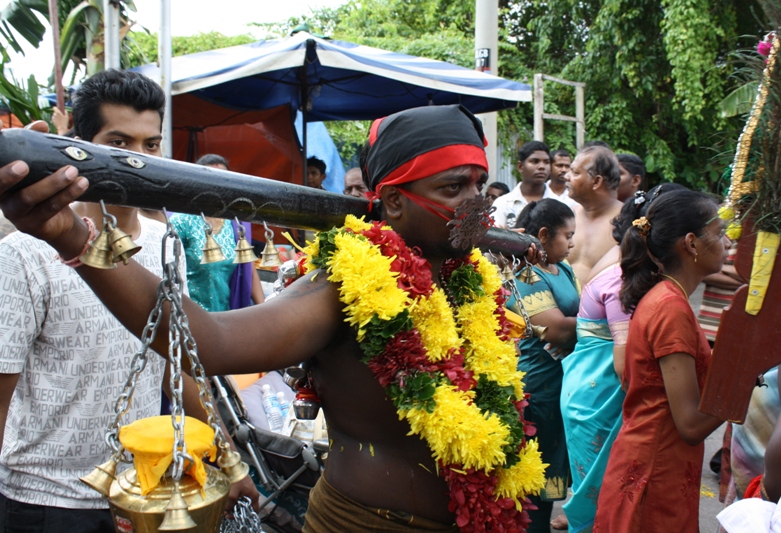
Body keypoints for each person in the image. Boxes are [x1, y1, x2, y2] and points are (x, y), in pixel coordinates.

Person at [0, 104, 546, 532]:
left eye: (478, 184)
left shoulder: (467, 279)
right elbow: (209, 340)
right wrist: (74, 237)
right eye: (452, 189)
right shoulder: (345, 286)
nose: (477, 203)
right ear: (394, 204)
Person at [0, 69, 257, 532]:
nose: (136, 161)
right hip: (45, 500)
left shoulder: (166, 244)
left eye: (151, 145)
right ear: (80, 145)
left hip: (145, 491)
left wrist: (228, 456)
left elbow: (177, 362)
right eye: (119, 143)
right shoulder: (24, 255)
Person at [593, 189, 730, 533]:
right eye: (719, 233)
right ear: (692, 243)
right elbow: (690, 424)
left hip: (653, 461)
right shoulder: (671, 307)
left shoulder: (666, 296)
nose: (727, 242)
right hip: (656, 469)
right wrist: (743, 379)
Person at [560, 184, 683, 533]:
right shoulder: (622, 279)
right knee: (596, 502)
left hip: (597, 391)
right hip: (598, 399)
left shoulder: (634, 272)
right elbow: (624, 365)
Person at [508, 198, 579, 533]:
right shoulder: (526, 275)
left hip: (560, 387)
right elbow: (556, 329)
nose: (573, 242)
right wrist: (614, 322)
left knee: (551, 478)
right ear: (544, 235)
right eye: (567, 235)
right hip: (536, 390)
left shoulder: (563, 270)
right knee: (530, 485)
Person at [170, 154, 265, 312]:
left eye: (224, 179)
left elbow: (249, 270)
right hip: (189, 317)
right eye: (211, 179)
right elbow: (167, 273)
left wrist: (264, 310)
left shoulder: (236, 224)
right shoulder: (182, 221)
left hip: (226, 317)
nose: (217, 185)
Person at [564, 145, 623, 287]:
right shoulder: (568, 215)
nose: (566, 176)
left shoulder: (628, 221)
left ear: (597, 181)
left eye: (575, 173)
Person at [493, 141, 555, 228]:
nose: (542, 166)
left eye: (546, 162)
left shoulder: (559, 203)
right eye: (535, 161)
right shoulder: (503, 204)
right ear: (520, 166)